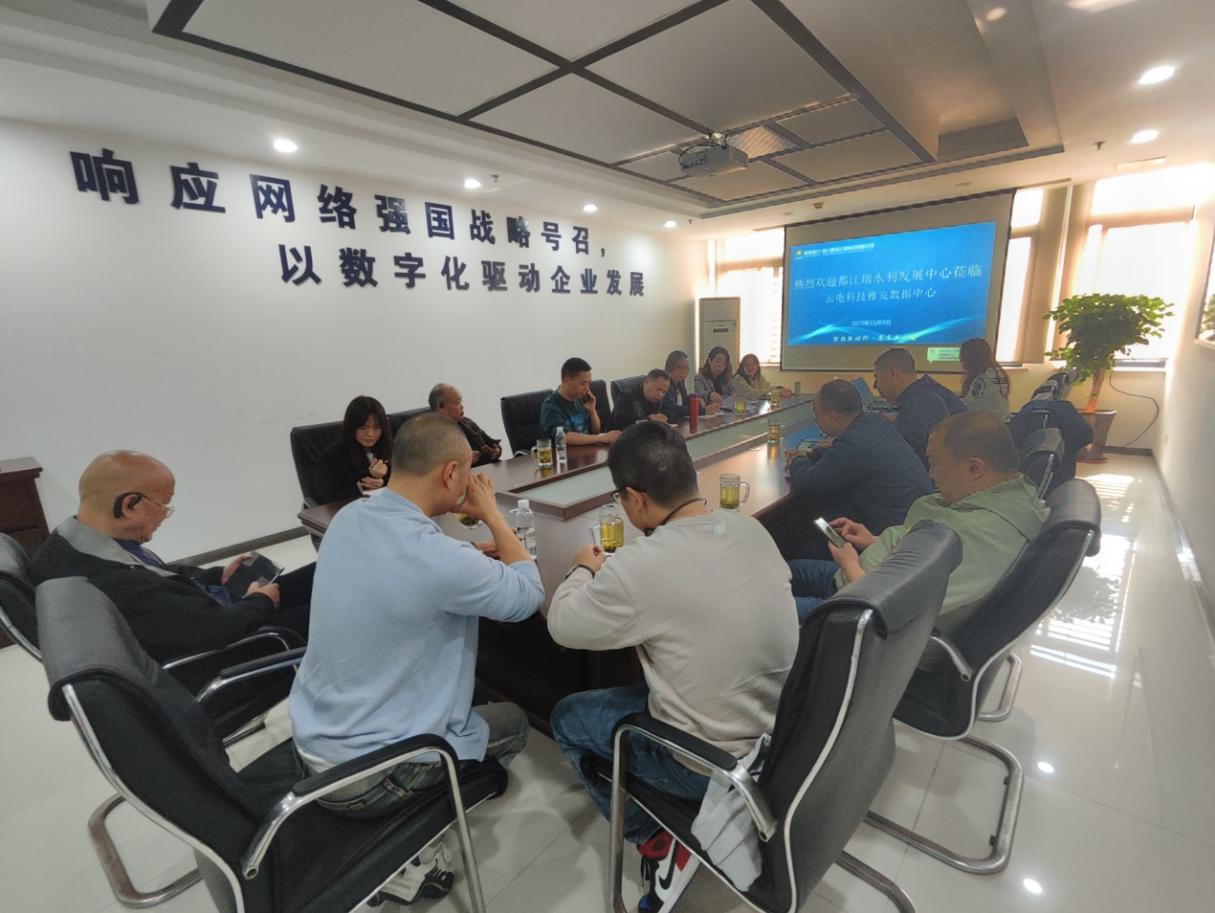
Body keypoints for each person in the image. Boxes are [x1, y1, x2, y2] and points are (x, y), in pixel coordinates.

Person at [289, 414, 544, 904]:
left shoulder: (349, 518)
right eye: (467, 472)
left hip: (314, 745)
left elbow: (412, 568)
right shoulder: (437, 559)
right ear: (450, 473)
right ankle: (410, 849)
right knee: (512, 721)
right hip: (369, 777)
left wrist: (470, 561)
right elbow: (527, 595)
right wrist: (493, 516)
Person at [546, 422, 797, 911]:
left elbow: (562, 624)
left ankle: (655, 836)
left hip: (708, 765)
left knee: (568, 717)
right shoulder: (750, 528)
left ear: (636, 499)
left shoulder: (641, 564)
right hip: (780, 738)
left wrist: (582, 568)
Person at [30, 451, 311, 661]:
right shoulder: (111, 580)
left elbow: (159, 573)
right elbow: (211, 631)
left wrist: (217, 577)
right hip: (227, 651)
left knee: (316, 575)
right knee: (328, 612)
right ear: (129, 505)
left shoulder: (77, 539)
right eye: (164, 505)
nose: (165, 515)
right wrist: (259, 602)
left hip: (202, 615)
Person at [787, 411, 1049, 627]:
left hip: (852, 607)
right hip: (862, 576)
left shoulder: (976, 535)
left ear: (973, 468)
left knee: (763, 605)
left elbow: (888, 610)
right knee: (786, 569)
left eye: (934, 462)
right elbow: (922, 560)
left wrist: (850, 564)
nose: (930, 474)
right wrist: (873, 541)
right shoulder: (1006, 499)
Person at [786, 380, 932, 536]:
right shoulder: (874, 422)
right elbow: (839, 456)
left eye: (816, 415)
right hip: (915, 521)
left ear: (831, 415)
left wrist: (797, 461)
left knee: (803, 525)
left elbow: (809, 485)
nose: (816, 420)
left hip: (892, 534)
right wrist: (812, 455)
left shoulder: (853, 441)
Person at [873, 347, 965, 466]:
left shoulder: (921, 403)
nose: (875, 385)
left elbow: (898, 451)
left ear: (893, 373)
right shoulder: (925, 395)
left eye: (877, 377)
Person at [313, 396, 392, 505]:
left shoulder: (393, 448)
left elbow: (406, 481)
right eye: (363, 428)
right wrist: (361, 485)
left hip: (386, 507)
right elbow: (326, 498)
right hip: (349, 510)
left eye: (376, 428)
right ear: (351, 427)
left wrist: (384, 483)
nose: (370, 434)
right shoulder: (332, 456)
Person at [539, 357, 621, 445]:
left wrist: (592, 410)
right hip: (565, 453)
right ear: (567, 381)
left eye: (588, 383)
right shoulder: (551, 406)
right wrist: (602, 438)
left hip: (586, 450)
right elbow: (563, 437)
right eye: (583, 383)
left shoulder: (579, 398)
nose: (587, 388)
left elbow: (595, 431)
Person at [429, 383, 502, 465]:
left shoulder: (467, 422)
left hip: (489, 469)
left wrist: (496, 452)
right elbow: (436, 466)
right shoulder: (431, 434)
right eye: (457, 403)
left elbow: (492, 443)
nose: (462, 407)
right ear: (441, 406)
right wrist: (463, 460)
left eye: (461, 402)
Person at [960, 338, 1011, 419]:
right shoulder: (998, 374)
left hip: (986, 422)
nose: (961, 361)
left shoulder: (982, 379)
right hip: (1001, 421)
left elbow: (968, 404)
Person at [658, 350, 693, 419]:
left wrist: (695, 401)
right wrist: (702, 411)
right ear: (674, 368)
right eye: (685, 368)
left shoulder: (680, 383)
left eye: (688, 369)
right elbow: (673, 409)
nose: (687, 372)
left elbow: (684, 403)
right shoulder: (664, 383)